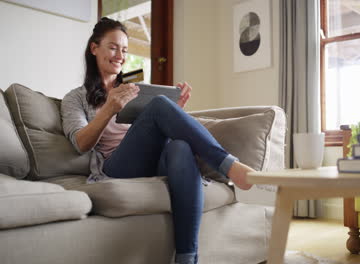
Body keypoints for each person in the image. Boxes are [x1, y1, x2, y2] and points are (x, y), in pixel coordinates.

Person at [61, 17, 254, 264]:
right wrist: (109, 108)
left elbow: (155, 130)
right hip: (117, 165)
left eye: (124, 50)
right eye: (112, 47)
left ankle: (186, 258)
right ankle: (229, 166)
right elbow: (80, 142)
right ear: (94, 48)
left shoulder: (134, 88)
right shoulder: (75, 98)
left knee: (180, 145)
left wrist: (176, 110)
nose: (120, 55)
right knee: (159, 104)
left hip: (154, 157)